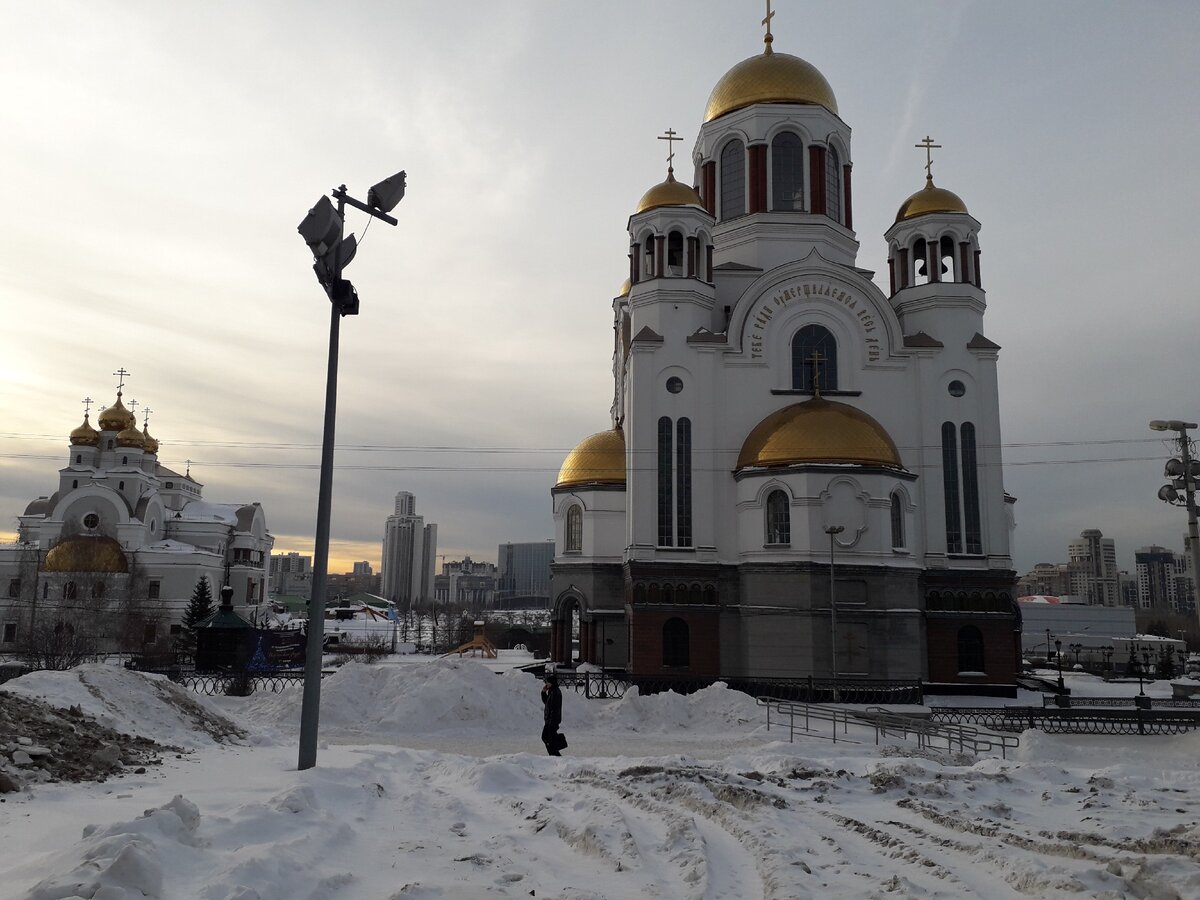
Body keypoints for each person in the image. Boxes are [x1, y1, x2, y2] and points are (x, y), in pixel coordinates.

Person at [541, 671, 565, 756]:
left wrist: (551, 722)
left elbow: (555, 709)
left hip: (552, 721)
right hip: (550, 721)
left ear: (551, 683)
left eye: (547, 682)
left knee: (546, 737)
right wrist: (543, 692)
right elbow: (546, 702)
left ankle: (555, 755)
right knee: (548, 738)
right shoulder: (552, 692)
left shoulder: (555, 693)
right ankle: (554, 755)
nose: (546, 684)